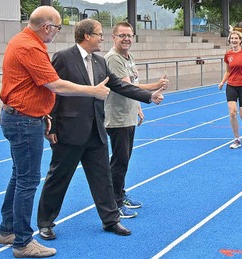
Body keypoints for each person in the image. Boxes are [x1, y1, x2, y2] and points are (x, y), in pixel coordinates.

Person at [0, 6, 112, 258]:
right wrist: (92, 91)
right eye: (57, 28)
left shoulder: (22, 40)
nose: (57, 33)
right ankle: (23, 243)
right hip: (23, 121)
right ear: (47, 27)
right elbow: (55, 84)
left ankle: (8, 230)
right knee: (27, 181)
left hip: (24, 116)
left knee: (19, 176)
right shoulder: (30, 46)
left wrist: (44, 112)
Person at [37, 19, 166, 240]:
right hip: (69, 130)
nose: (103, 38)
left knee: (102, 178)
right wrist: (52, 126)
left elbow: (118, 84)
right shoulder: (63, 57)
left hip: (96, 129)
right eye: (99, 34)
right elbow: (54, 92)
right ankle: (46, 223)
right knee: (59, 178)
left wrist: (148, 96)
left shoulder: (99, 61)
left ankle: (110, 220)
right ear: (87, 36)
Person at [104, 21, 170, 218]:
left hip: (128, 114)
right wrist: (154, 88)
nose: (126, 39)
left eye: (129, 35)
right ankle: (114, 202)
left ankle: (120, 194)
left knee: (124, 159)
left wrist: (139, 107)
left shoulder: (128, 56)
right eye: (122, 35)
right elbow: (126, 87)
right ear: (114, 37)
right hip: (117, 117)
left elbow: (134, 83)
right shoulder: (113, 59)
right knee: (119, 160)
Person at [218, 31, 242, 149]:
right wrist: (222, 82)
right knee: (232, 112)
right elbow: (228, 71)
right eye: (232, 38)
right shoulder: (228, 55)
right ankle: (236, 139)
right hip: (231, 86)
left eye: (236, 38)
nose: (234, 40)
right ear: (230, 40)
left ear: (241, 40)